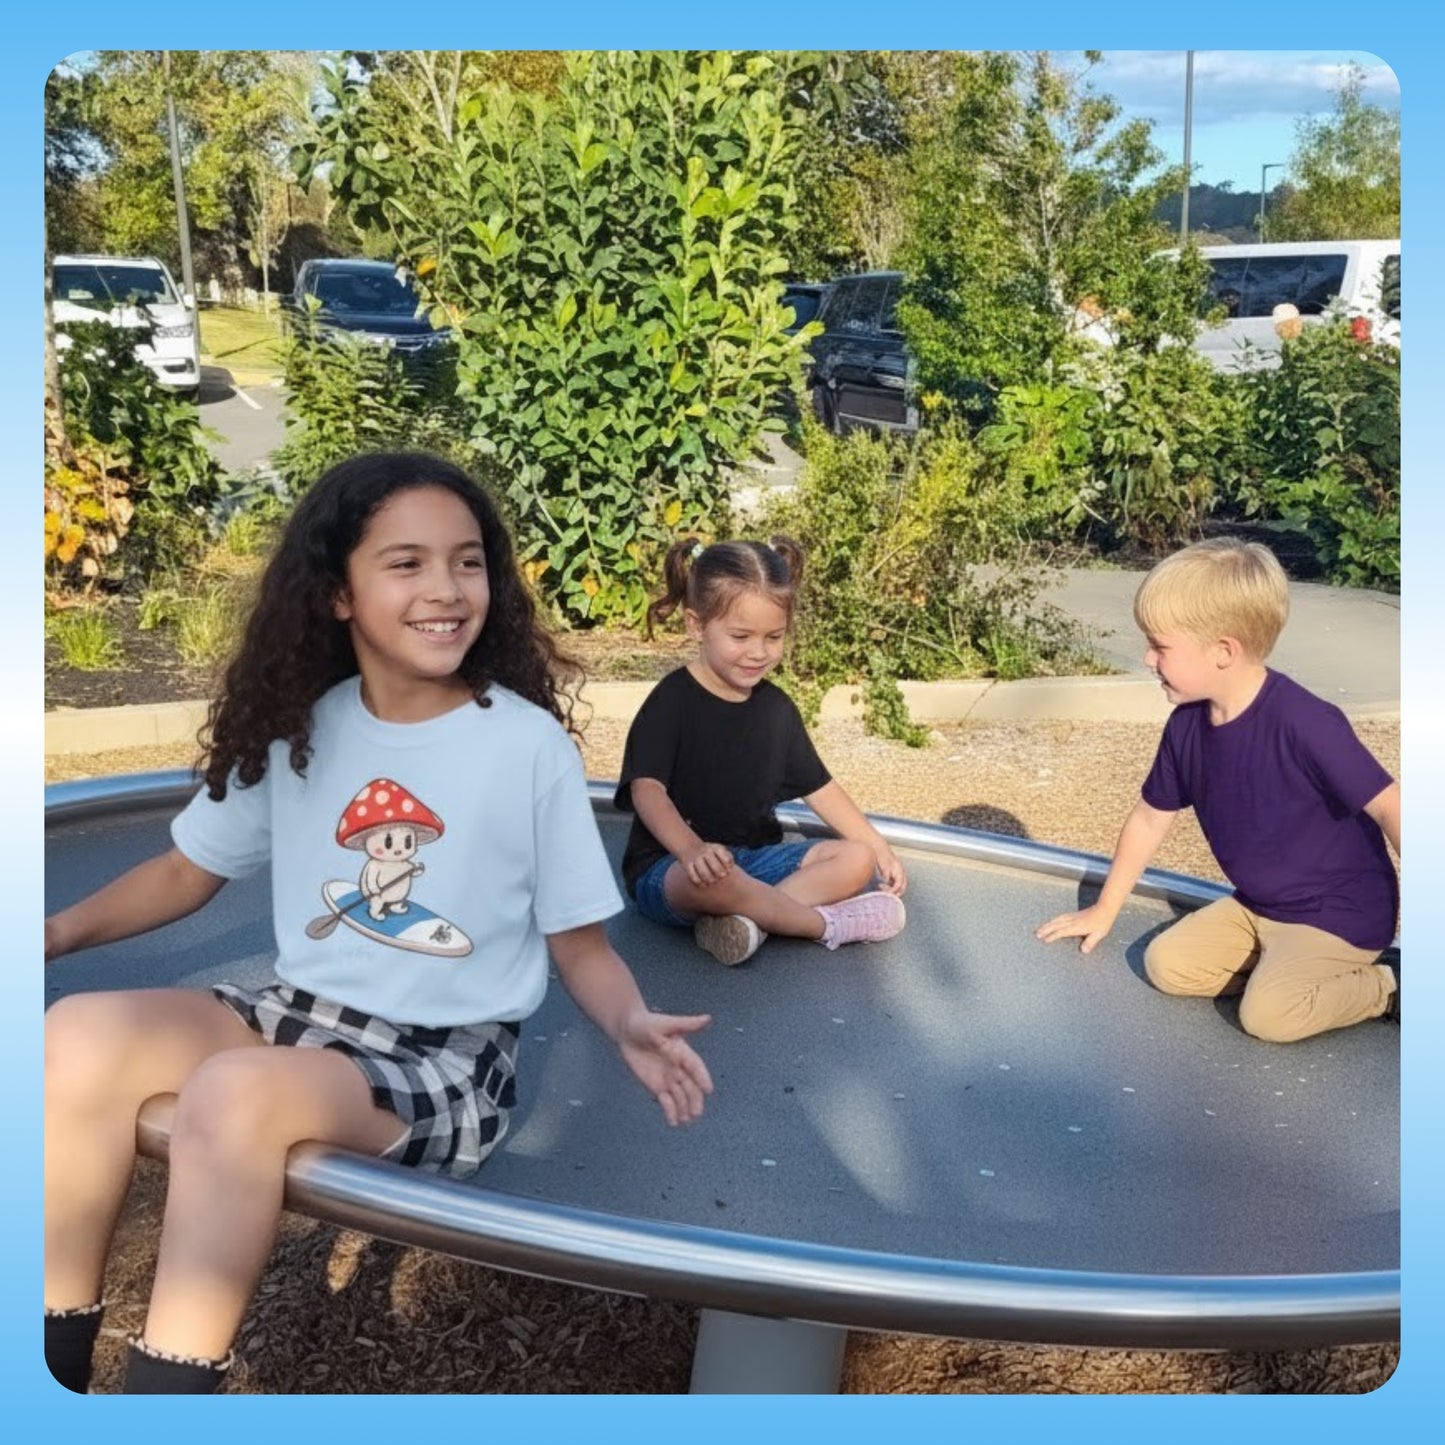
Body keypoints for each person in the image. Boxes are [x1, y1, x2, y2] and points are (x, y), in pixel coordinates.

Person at [44, 452, 714, 1395]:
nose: (446, 588)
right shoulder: (301, 726)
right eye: (406, 563)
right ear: (337, 595)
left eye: (467, 560)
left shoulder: (523, 745)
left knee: (231, 1097)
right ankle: (49, 1369)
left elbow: (579, 943)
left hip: (440, 1059)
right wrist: (52, 934)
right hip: (299, 1010)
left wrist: (630, 1023)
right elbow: (186, 870)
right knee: (75, 1034)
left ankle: (167, 1397)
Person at [1036, 537, 1400, 1043]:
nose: (1147, 658)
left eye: (1161, 646)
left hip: (1338, 915)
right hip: (1258, 906)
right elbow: (1149, 818)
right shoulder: (1187, 727)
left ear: (1223, 651)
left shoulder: (1306, 723)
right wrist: (1105, 908)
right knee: (1166, 965)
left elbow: (1391, 806)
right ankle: (1283, 970)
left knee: (1269, 1017)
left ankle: (1386, 986)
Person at [614, 536, 908, 967]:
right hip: (673, 870)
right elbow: (647, 791)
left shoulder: (776, 708)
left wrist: (875, 843)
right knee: (714, 883)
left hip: (752, 863)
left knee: (854, 859)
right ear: (696, 626)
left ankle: (752, 923)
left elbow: (820, 788)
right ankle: (823, 926)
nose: (758, 652)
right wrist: (692, 850)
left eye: (774, 637)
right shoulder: (672, 700)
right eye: (740, 636)